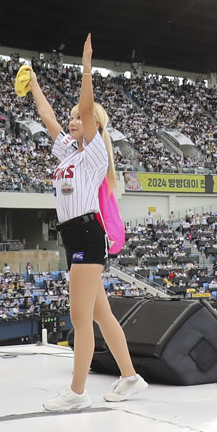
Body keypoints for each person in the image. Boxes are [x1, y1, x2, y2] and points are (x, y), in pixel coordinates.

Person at [26, 38, 145, 412]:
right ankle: (131, 377)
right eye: (73, 117)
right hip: (74, 234)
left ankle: (77, 392)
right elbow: (47, 117)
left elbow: (89, 106)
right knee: (99, 313)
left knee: (80, 318)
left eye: (79, 117)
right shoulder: (68, 151)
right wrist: (32, 83)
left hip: (87, 234)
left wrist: (88, 67)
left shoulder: (94, 152)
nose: (73, 120)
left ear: (92, 123)